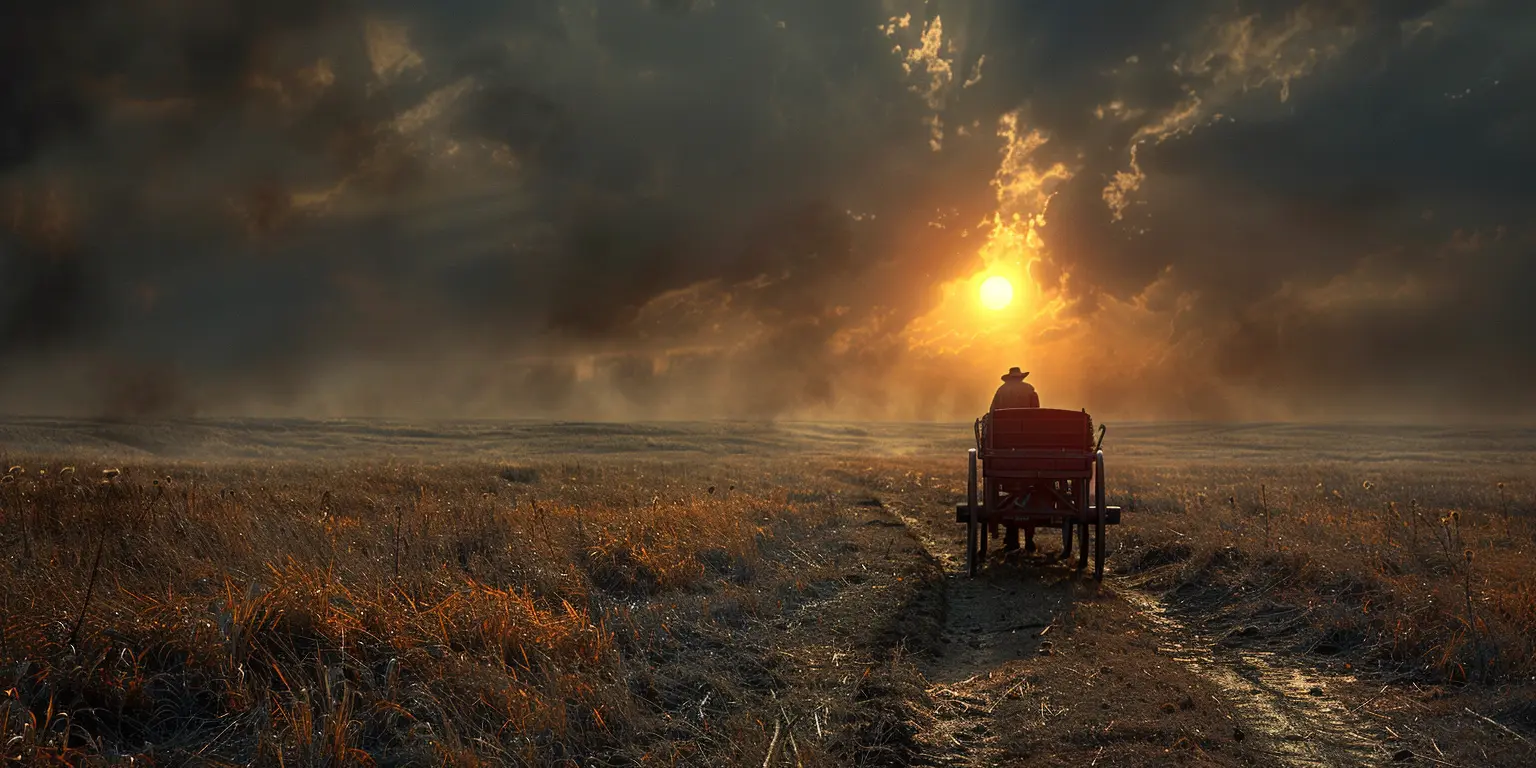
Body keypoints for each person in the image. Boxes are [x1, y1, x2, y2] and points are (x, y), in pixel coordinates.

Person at [988, 367, 1039, 553]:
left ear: (1008, 378)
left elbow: (992, 415)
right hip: (1028, 449)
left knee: (1010, 492)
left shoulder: (1001, 391)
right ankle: (1029, 539)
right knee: (1032, 488)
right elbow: (1038, 416)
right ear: (1021, 378)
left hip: (1005, 450)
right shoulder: (1030, 390)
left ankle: (1011, 538)